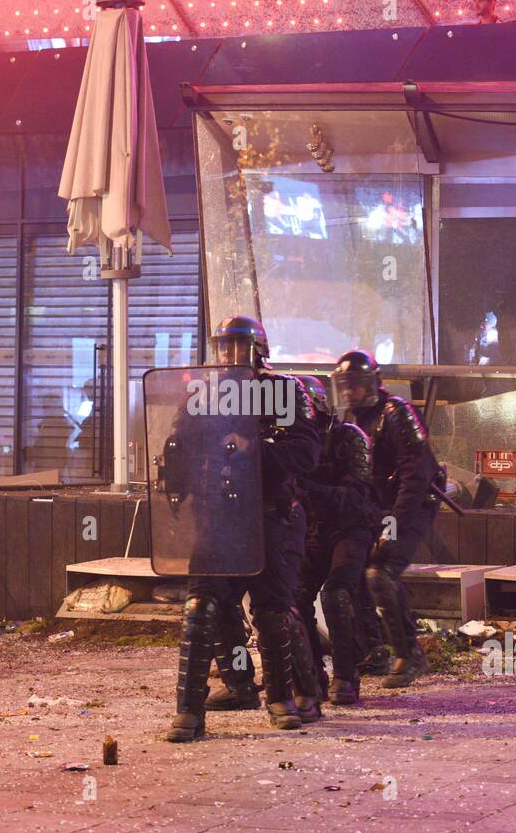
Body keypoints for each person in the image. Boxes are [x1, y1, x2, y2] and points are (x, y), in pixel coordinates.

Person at [167, 316, 322, 742]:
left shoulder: (284, 391)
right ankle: (191, 711)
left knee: (273, 610)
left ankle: (286, 697)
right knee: (203, 607)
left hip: (272, 514)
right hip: (218, 516)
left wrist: (257, 449)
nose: (230, 355)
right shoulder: (205, 394)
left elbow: (307, 451)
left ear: (257, 350)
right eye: (224, 347)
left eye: (238, 346)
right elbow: (180, 441)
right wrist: (175, 472)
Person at [332, 350, 443, 688]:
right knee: (356, 569)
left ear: (373, 383)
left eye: (356, 385)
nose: (350, 392)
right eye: (346, 385)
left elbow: (417, 474)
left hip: (412, 505)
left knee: (381, 572)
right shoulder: (353, 417)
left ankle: (409, 653)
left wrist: (392, 525)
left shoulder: (397, 414)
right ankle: (373, 649)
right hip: (378, 506)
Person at [291, 375, 378, 705]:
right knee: (295, 599)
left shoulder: (349, 438)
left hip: (350, 529)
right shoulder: (295, 442)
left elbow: (356, 497)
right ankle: (312, 675)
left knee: (336, 593)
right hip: (312, 530)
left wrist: (311, 491)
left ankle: (346, 674)